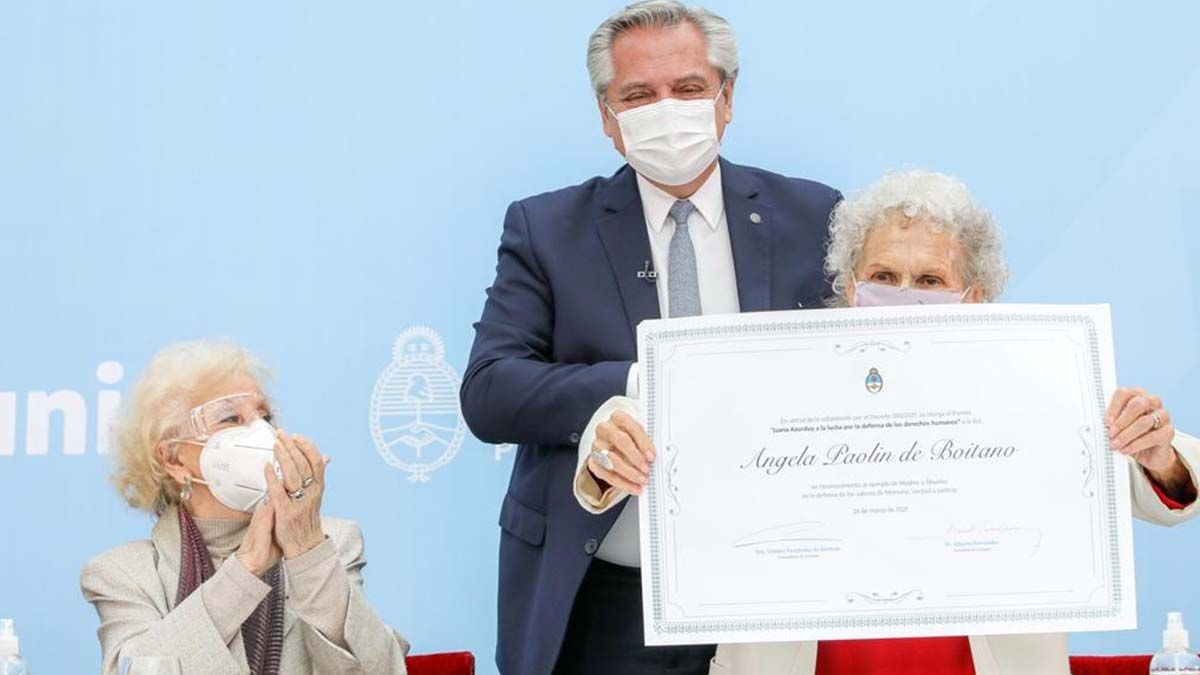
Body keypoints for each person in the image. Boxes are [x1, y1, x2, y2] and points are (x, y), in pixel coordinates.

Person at [459, 1, 841, 673]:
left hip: (776, 585)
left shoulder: (813, 216)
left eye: (689, 88)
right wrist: (641, 383)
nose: (667, 110)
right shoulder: (548, 229)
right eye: (639, 96)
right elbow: (490, 390)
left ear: (727, 98)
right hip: (608, 596)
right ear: (608, 117)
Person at [705, 170, 1200, 675]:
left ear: (974, 296)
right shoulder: (777, 384)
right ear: (851, 286)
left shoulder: (1033, 388)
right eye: (883, 277)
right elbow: (692, 455)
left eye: (930, 281)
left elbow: (1176, 489)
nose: (903, 294)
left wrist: (1156, 454)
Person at [80, 340, 408, 674]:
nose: (261, 431)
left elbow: (382, 670)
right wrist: (244, 571)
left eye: (266, 416)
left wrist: (308, 551)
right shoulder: (124, 573)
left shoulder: (331, 543)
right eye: (231, 418)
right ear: (173, 459)